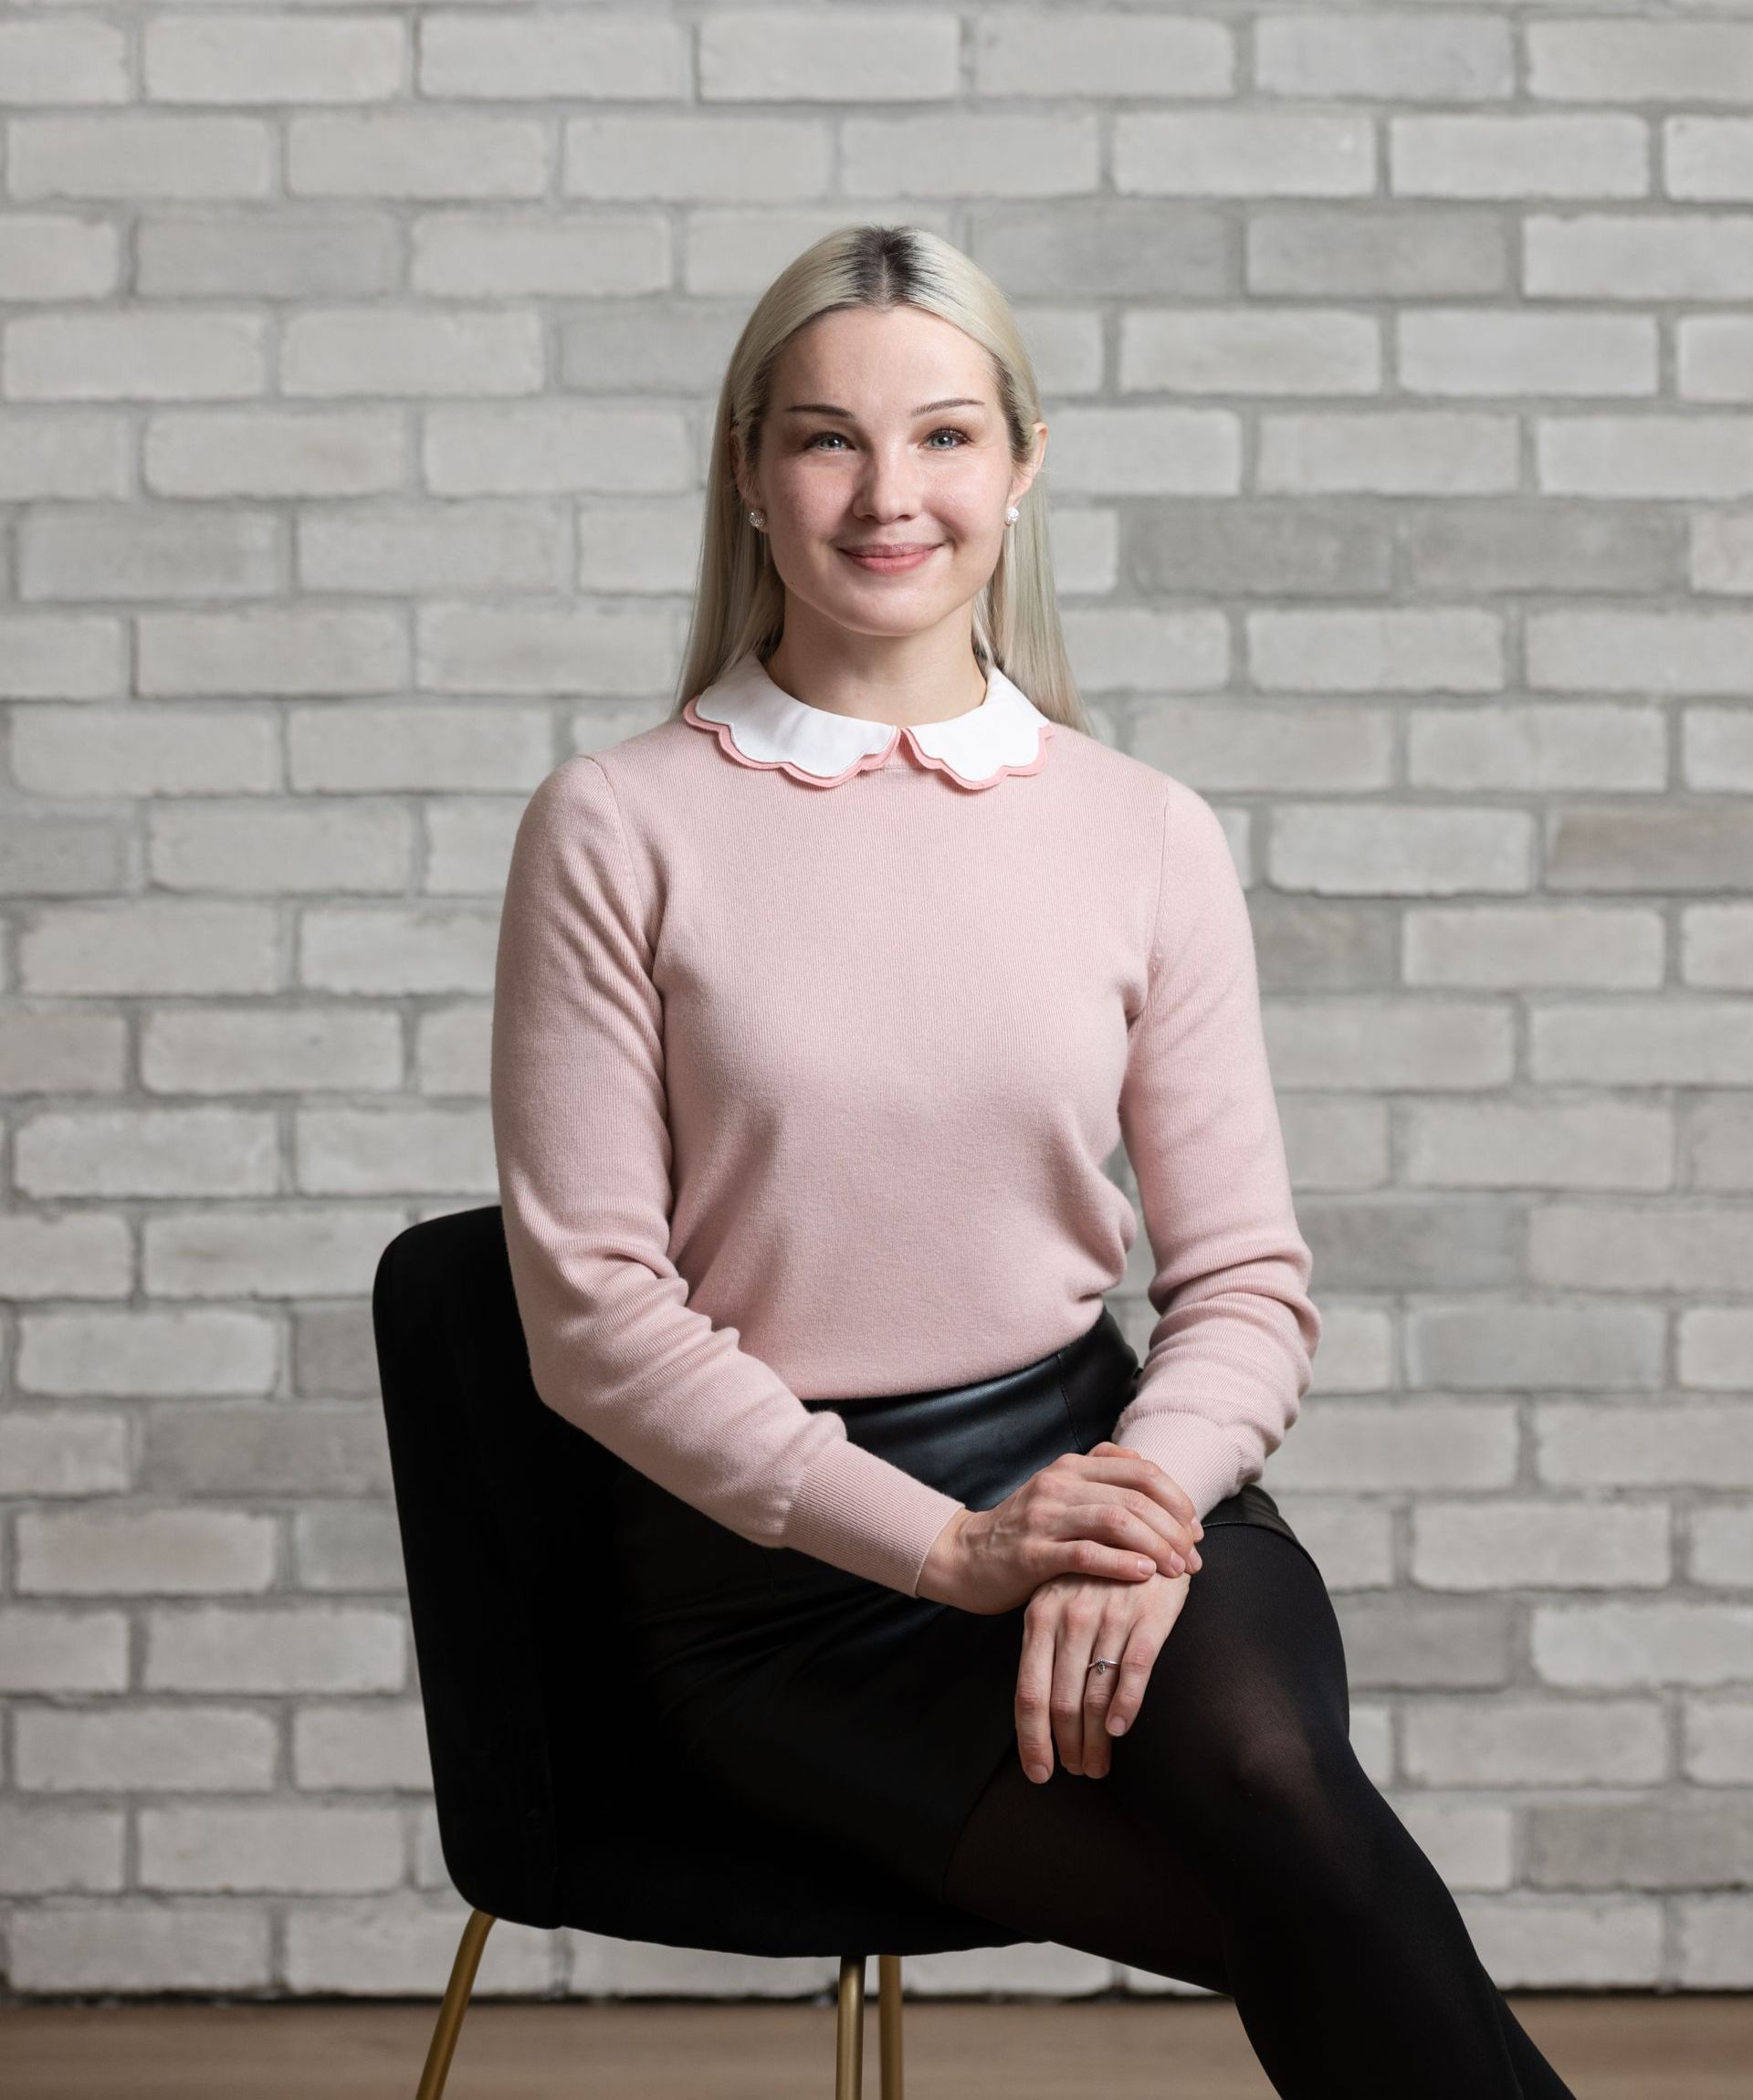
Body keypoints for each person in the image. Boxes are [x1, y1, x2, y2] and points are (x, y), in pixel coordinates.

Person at [488, 224, 1578, 2099]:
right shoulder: (617, 827)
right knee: (1302, 1895)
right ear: (750, 474)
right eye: (827, 439)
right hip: (790, 1582)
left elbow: (1243, 1281)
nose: (888, 493)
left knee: (1261, 1783)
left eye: (945, 436)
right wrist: (957, 1549)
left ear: (1023, 466)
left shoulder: (1143, 831)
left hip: (1102, 1480)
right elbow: (593, 1317)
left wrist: (1128, 1510)